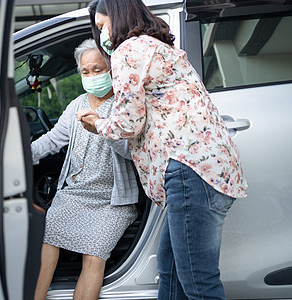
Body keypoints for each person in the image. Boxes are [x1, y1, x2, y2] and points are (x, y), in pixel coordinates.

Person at [76, 1, 248, 299]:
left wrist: (97, 125)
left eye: (103, 26)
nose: (102, 34)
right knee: (170, 273)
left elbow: (129, 122)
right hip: (205, 170)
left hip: (189, 170)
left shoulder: (127, 50)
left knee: (198, 283)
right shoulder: (157, 47)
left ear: (118, 18)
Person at [31, 38, 139, 300]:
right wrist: (20, 156)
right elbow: (53, 140)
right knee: (47, 241)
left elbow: (132, 152)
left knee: (93, 256)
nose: (91, 76)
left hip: (113, 200)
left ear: (113, 69)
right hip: (75, 193)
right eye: (85, 71)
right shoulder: (77, 104)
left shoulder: (125, 105)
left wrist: (101, 127)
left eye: (98, 70)